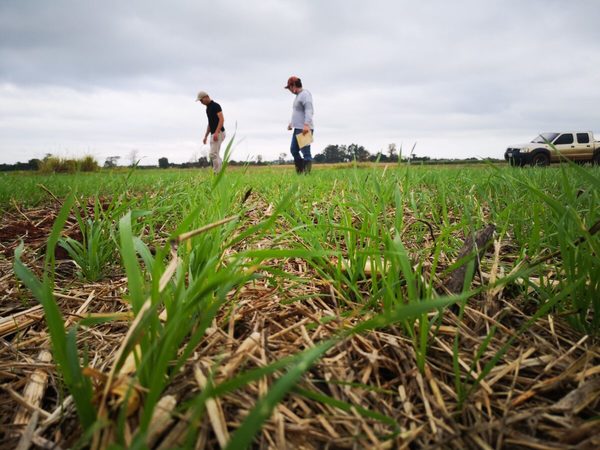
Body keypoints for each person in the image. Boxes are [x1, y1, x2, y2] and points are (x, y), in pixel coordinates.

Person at [284, 76, 314, 174]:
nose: (290, 90)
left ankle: (307, 175)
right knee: (293, 150)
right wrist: (291, 124)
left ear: (294, 86)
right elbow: (298, 113)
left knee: (306, 152)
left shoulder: (305, 94)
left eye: (289, 88)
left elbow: (309, 110)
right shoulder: (298, 96)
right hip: (297, 128)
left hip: (304, 128)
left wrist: (306, 125)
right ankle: (301, 172)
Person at [196, 90, 225, 173]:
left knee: (213, 154)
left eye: (201, 100)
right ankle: (219, 171)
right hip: (214, 133)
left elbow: (221, 119)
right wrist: (206, 136)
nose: (201, 102)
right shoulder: (208, 109)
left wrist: (216, 132)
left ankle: (217, 173)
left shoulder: (216, 106)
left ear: (206, 97)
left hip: (219, 132)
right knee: (215, 154)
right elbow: (210, 123)